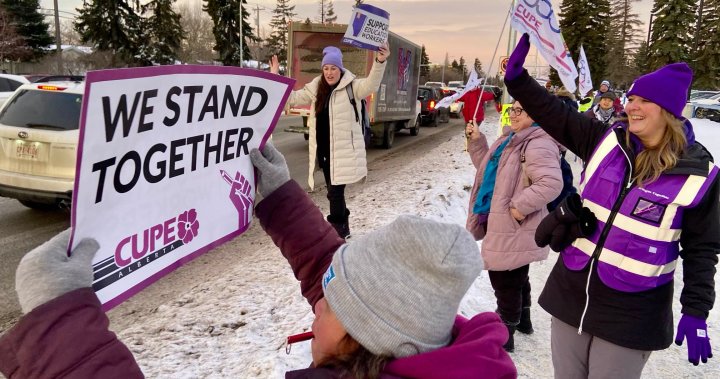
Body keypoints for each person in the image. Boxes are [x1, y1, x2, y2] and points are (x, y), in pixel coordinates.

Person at [0, 144, 518, 379]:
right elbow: (335, 280)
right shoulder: (420, 341)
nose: (315, 308)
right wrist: (278, 198)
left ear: (364, 339)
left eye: (328, 307)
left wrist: (60, 324)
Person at [504, 33, 719, 378]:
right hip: (573, 292)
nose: (631, 105)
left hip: (633, 312)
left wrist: (696, 310)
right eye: (631, 97)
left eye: (643, 100)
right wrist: (518, 82)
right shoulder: (605, 142)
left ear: (668, 111)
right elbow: (553, 112)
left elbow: (702, 249)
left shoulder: (699, 175)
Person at [465, 99, 563, 352]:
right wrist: (477, 141)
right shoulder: (512, 138)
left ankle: (504, 333)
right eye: (512, 109)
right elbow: (489, 171)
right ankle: (524, 320)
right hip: (502, 219)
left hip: (513, 222)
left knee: (504, 277)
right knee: (516, 273)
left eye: (520, 110)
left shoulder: (538, 142)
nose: (513, 114)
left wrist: (518, 207)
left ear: (536, 113)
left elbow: (551, 183)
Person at [269, 44, 389, 238]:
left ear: (340, 69)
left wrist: (380, 61)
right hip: (324, 151)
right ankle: (343, 228)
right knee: (333, 192)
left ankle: (338, 232)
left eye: (333, 68)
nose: (329, 72)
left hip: (342, 151)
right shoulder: (316, 87)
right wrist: (275, 77)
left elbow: (371, 84)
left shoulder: (352, 86)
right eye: (326, 68)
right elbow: (290, 98)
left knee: (335, 192)